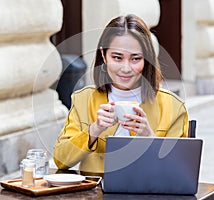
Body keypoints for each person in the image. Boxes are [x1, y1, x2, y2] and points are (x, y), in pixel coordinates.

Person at [53, 14, 189, 174]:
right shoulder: (83, 99)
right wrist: (93, 131)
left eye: (135, 59)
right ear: (104, 56)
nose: (126, 68)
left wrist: (149, 137)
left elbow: (180, 172)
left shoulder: (172, 106)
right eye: (117, 57)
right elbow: (61, 160)